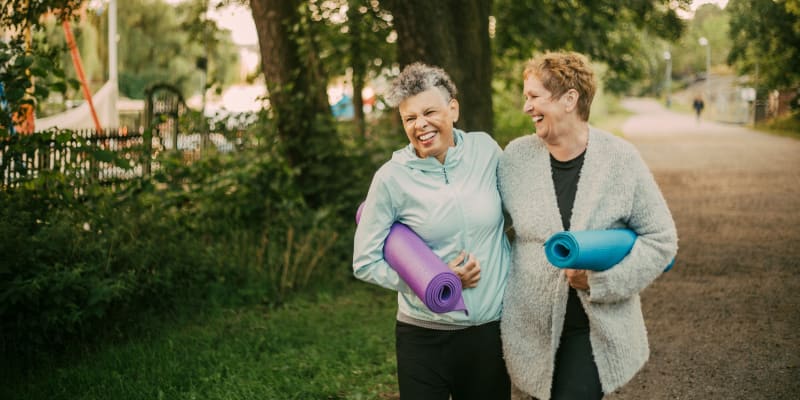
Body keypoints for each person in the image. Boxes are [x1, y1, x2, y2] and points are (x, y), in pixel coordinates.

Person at [497, 51, 678, 400]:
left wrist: (601, 281)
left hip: (593, 330)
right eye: (526, 98)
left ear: (569, 99)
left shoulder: (621, 160)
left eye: (534, 97)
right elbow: (486, 224)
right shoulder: (514, 159)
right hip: (529, 330)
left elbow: (661, 239)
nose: (526, 107)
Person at [353, 63, 512, 400]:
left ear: (452, 108)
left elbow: (519, 215)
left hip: (489, 333)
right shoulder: (391, 179)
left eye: (429, 112)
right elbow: (364, 262)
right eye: (409, 118)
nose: (420, 125)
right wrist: (431, 281)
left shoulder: (486, 151)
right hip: (423, 338)